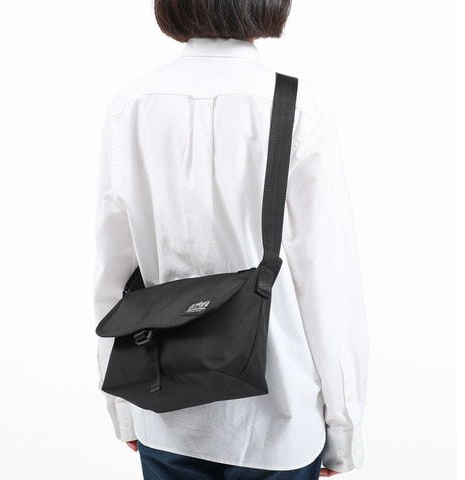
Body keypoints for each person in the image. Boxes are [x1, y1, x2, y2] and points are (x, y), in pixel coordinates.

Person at [93, 1, 369, 479]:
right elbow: (327, 280)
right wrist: (342, 430)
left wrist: (122, 407)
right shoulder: (296, 106)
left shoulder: (130, 105)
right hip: (278, 419)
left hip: (164, 409)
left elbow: (113, 274)